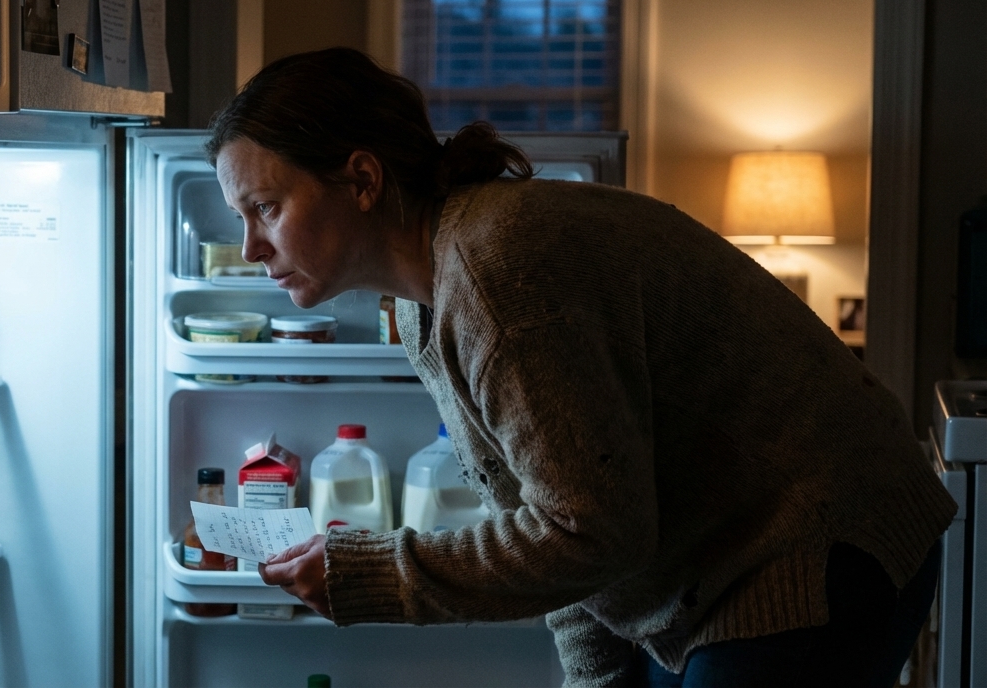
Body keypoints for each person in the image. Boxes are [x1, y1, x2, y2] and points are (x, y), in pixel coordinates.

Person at [211, 48, 956, 686]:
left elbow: (587, 533)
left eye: (266, 208)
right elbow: (559, 531)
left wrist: (371, 572)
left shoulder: (499, 269)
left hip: (815, 541)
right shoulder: (420, 303)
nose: (249, 246)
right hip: (708, 567)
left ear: (363, 180)